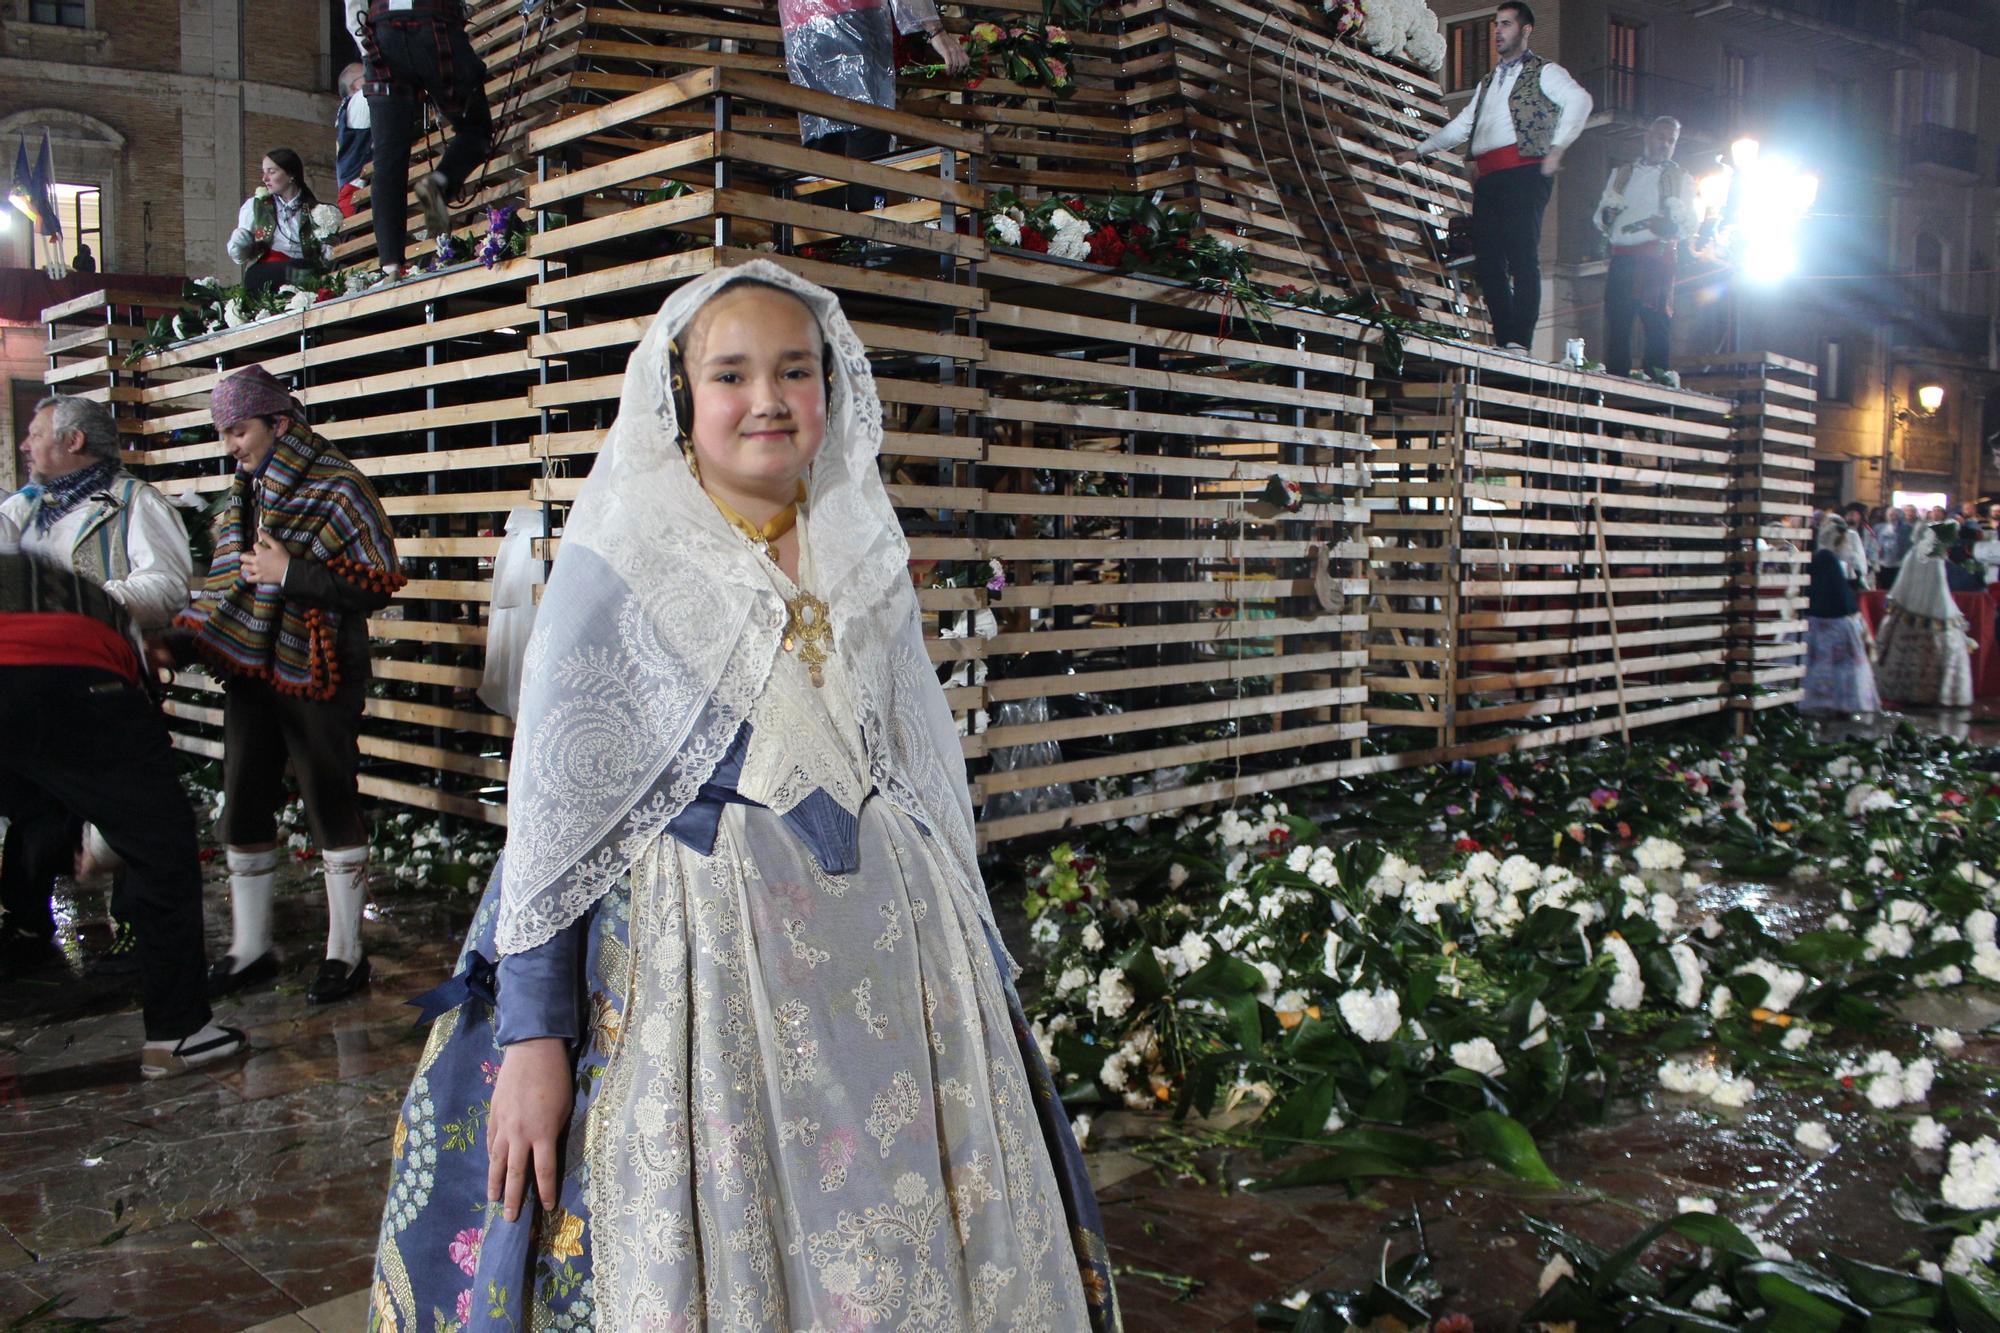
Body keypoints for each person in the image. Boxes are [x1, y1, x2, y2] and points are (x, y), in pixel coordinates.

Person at [367, 262, 1120, 1330]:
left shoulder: (864, 550)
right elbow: (557, 821)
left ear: (832, 388)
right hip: (706, 985)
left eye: (794, 371)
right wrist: (534, 1037)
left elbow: (912, 769)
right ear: (680, 398)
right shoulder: (620, 564)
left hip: (898, 994)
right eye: (731, 374)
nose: (766, 398)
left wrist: (983, 980)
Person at [168, 367, 404, 1005]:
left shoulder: (338, 485)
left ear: (278, 422)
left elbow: (375, 579)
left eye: (238, 430)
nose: (231, 445)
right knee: (242, 800)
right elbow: (228, 580)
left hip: (321, 668)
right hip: (252, 666)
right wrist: (191, 628)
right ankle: (251, 948)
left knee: (329, 798)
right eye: (223, 433)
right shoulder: (243, 493)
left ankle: (345, 953)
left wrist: (290, 572)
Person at [0, 396, 194, 971]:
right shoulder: (20, 510)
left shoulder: (136, 503)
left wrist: (83, 607)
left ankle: (139, 927)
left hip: (105, 682)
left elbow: (168, 584)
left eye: (35, 435)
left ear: (73, 441)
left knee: (127, 807)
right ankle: (27, 925)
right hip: (33, 687)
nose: (25, 445)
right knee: (36, 804)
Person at [1393, 1, 1591, 353]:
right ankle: (1505, 339)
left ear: (1526, 30)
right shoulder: (1487, 82)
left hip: (1525, 171)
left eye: (1507, 24)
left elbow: (1580, 101)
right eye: (1496, 25)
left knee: (1521, 254)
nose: (1498, 31)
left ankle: (1520, 340)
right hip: (1490, 178)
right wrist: (1419, 151)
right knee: (1488, 259)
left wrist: (1558, 147)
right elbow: (1461, 126)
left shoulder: (1545, 72)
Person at [344, 0, 494, 280]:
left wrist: (366, 42)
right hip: (435, 25)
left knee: (388, 157)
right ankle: (438, 186)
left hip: (382, 33)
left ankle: (390, 265)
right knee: (476, 129)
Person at [778, 0, 967, 211]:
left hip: (800, 30)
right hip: (856, 19)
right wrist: (936, 31)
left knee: (822, 133)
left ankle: (824, 236)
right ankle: (866, 231)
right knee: (867, 127)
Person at [1595, 116, 1694, 379]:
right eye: (1661, 137)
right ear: (1647, 137)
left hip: (1656, 257)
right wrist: (1607, 215)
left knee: (1657, 320)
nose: (1665, 144)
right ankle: (1616, 379)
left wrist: (1671, 227)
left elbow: (1689, 223)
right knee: (1618, 320)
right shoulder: (1622, 173)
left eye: (1671, 140)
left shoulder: (1681, 177)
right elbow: (1601, 215)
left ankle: (1658, 378)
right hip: (1622, 257)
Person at [1874, 520, 1974, 707]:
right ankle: (1934, 694)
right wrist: (1950, 613)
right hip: (1935, 614)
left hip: (1908, 613)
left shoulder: (1914, 553)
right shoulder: (1934, 558)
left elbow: (1902, 583)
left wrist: (1896, 601)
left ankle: (1906, 691)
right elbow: (1939, 589)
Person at [1801, 516, 1880, 716]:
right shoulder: (1829, 560)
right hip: (1833, 624)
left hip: (1813, 620)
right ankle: (1834, 701)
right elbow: (1839, 595)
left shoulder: (1819, 558)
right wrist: (1853, 614)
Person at [227, 149, 330, 296]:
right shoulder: (255, 206)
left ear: (291, 175)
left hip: (304, 272)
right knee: (296, 269)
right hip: (265, 273)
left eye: (271, 172)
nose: (265, 178)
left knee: (309, 270)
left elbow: (326, 254)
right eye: (264, 172)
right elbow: (240, 257)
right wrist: (240, 243)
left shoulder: (317, 211)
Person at [334, 62, 372, 219]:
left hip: (359, 194)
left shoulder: (348, 109)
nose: (373, 76)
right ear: (355, 87)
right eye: (367, 75)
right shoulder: (359, 100)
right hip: (358, 197)